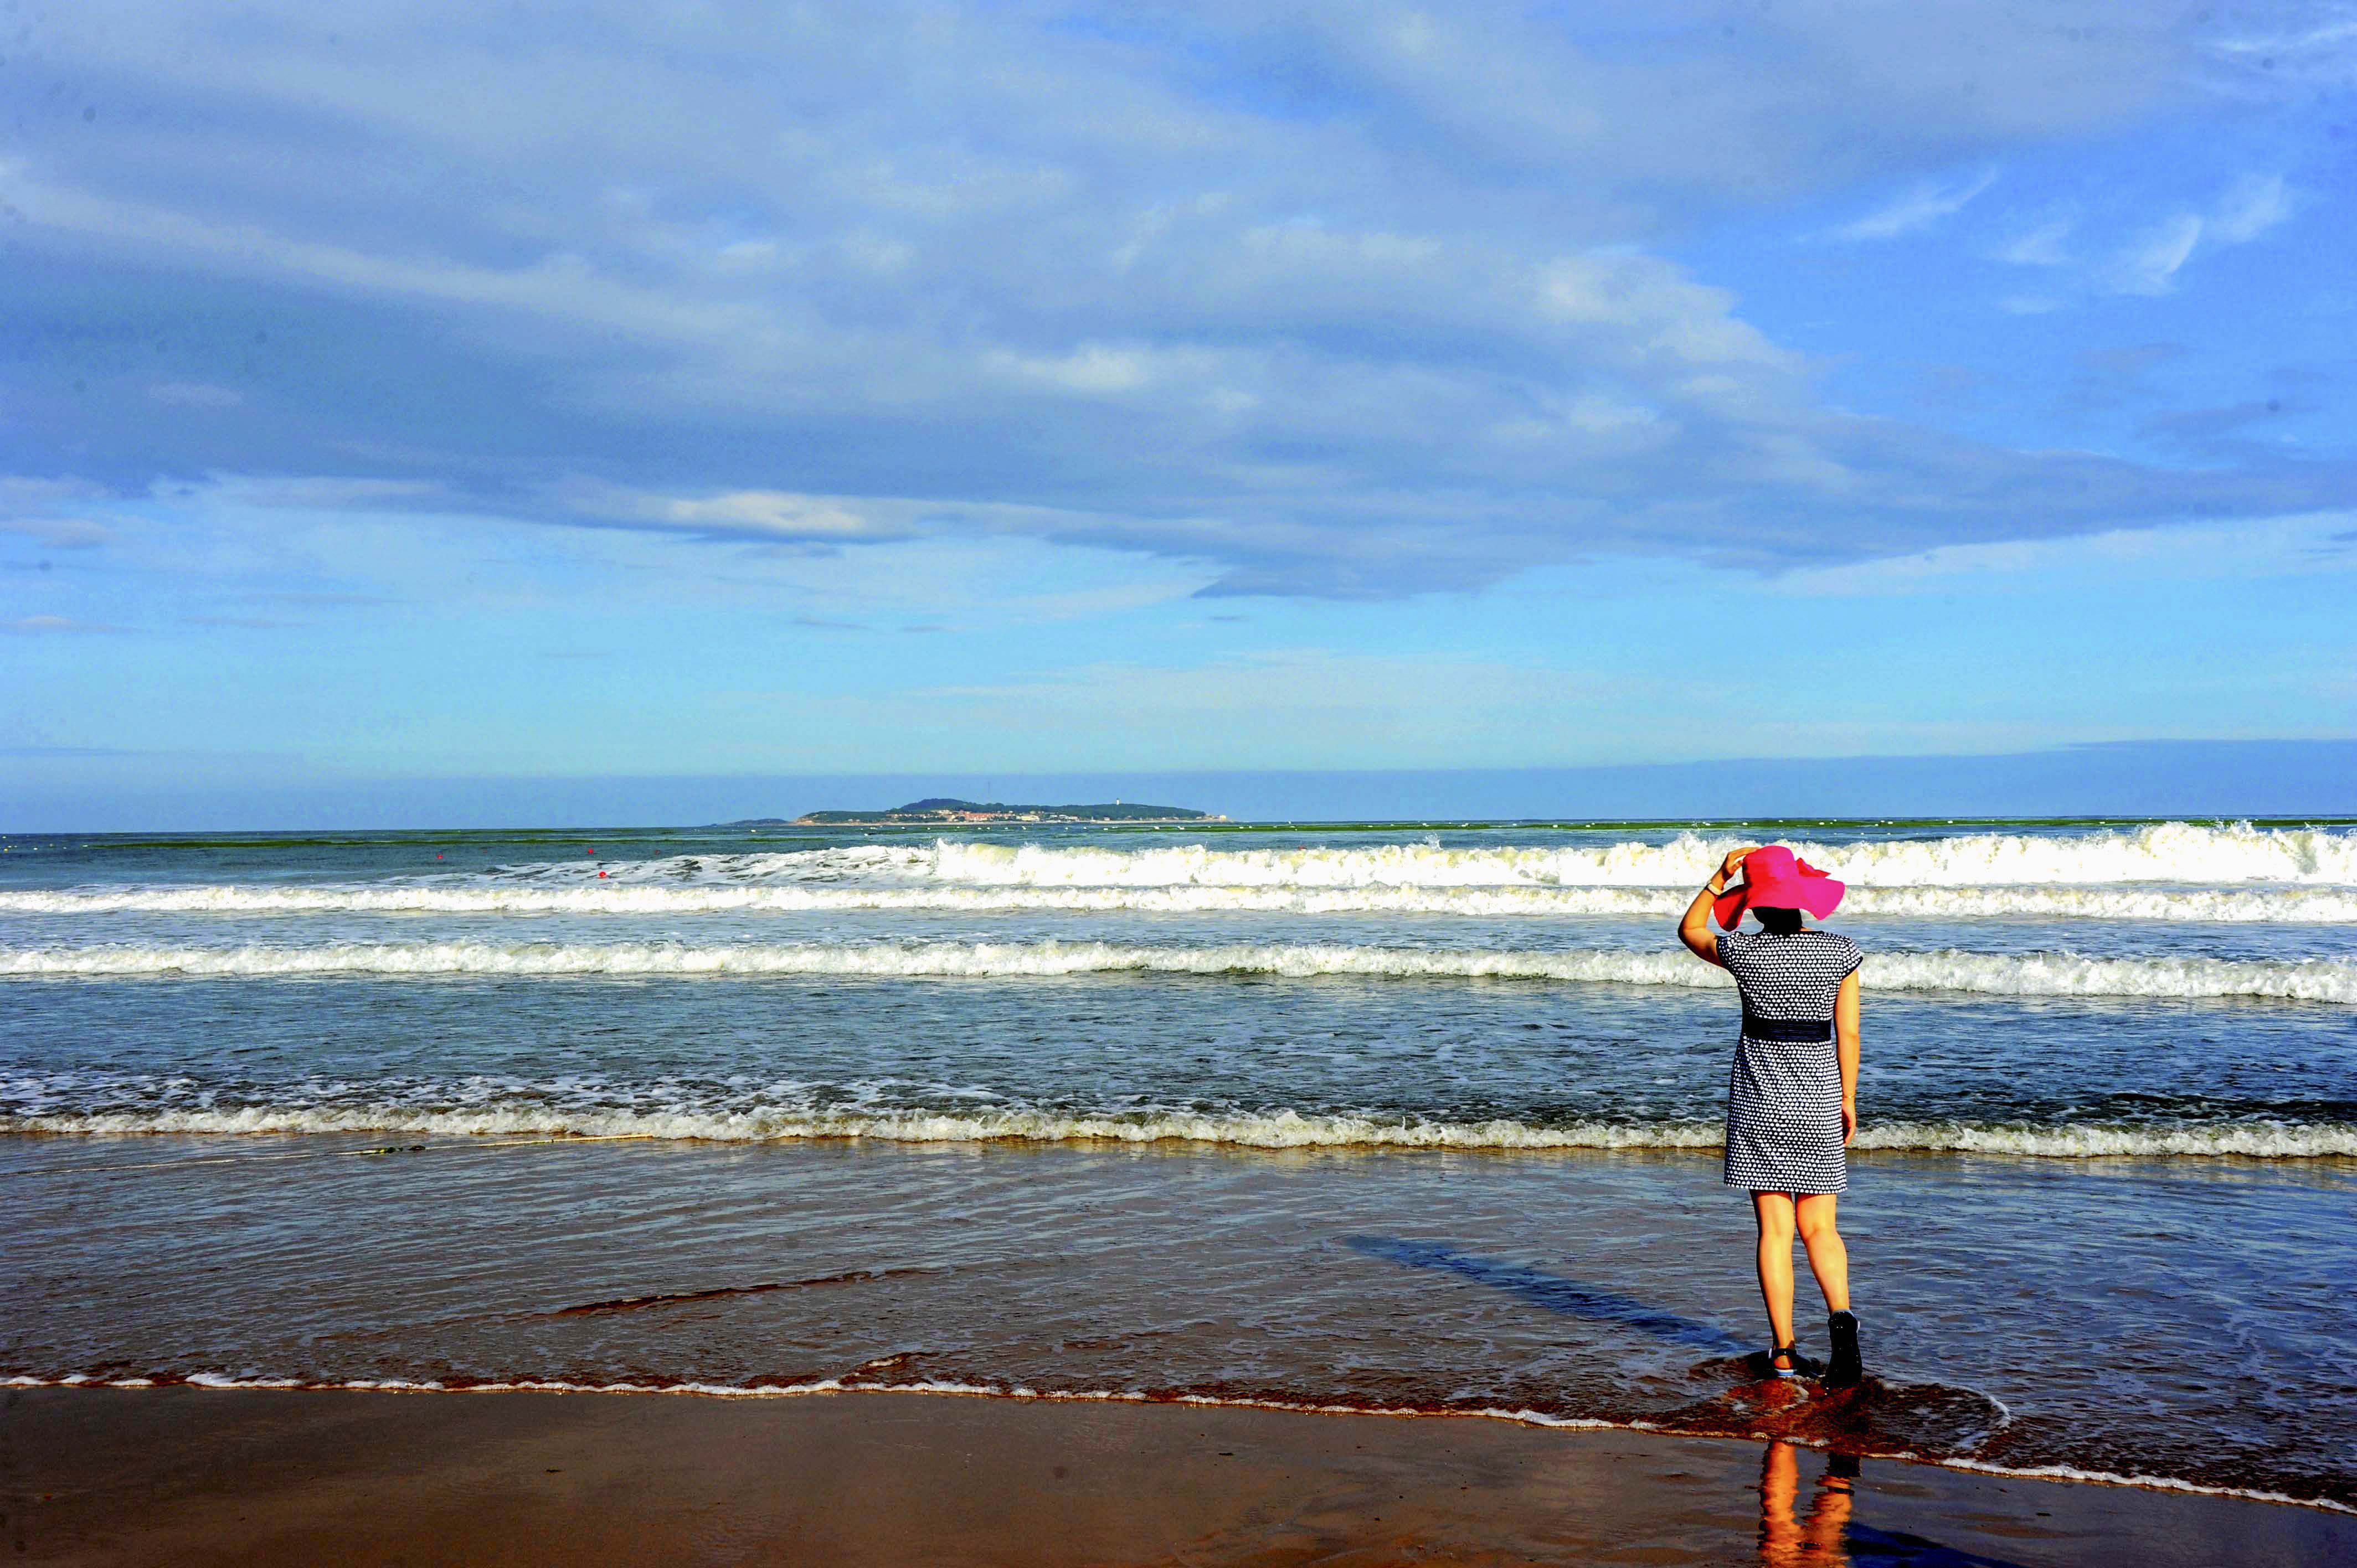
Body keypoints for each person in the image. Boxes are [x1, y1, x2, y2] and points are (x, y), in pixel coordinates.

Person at [1677, 844, 1864, 1388]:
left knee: (1775, 1233)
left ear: (1754, 905)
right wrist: (1848, 1099)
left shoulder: (1743, 952)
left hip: (1760, 1104)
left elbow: (1689, 930)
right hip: (1818, 1101)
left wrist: (1720, 877)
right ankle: (1842, 1323)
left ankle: (1783, 1352)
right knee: (1821, 1228)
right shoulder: (1839, 951)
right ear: (1801, 899)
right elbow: (1849, 1033)